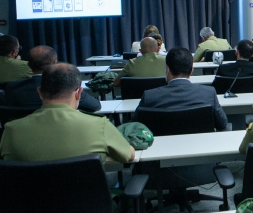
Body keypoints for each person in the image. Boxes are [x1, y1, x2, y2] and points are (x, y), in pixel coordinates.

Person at [0, 63, 134, 163]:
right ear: (79, 93)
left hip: (29, 201)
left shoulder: (11, 129)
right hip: (85, 200)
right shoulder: (99, 125)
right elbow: (129, 155)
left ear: (40, 92)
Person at [136, 47, 228, 131]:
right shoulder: (209, 93)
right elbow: (222, 124)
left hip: (162, 147)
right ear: (191, 70)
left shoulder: (149, 96)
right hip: (200, 146)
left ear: (167, 69)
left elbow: (134, 126)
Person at [4, 45, 100, 113]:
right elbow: (95, 106)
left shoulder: (12, 88)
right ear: (55, 63)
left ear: (28, 65)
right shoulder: (67, 85)